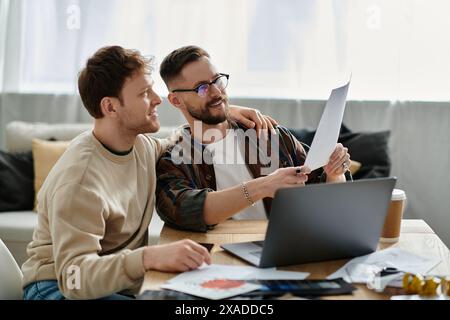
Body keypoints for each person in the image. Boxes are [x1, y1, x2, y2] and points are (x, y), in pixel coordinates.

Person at [21, 45, 277, 300]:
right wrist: (149, 257)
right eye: (145, 93)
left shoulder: (140, 147)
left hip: (116, 286)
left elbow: (181, 139)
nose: (157, 98)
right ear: (110, 107)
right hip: (56, 288)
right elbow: (74, 279)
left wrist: (223, 111)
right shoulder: (80, 180)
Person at [155, 45, 352, 232]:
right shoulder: (175, 159)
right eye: (202, 88)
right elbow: (184, 210)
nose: (216, 92)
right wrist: (263, 186)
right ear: (175, 100)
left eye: (217, 80)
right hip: (217, 259)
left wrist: (335, 174)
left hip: (286, 248)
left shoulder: (268, 134)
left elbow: (327, 200)